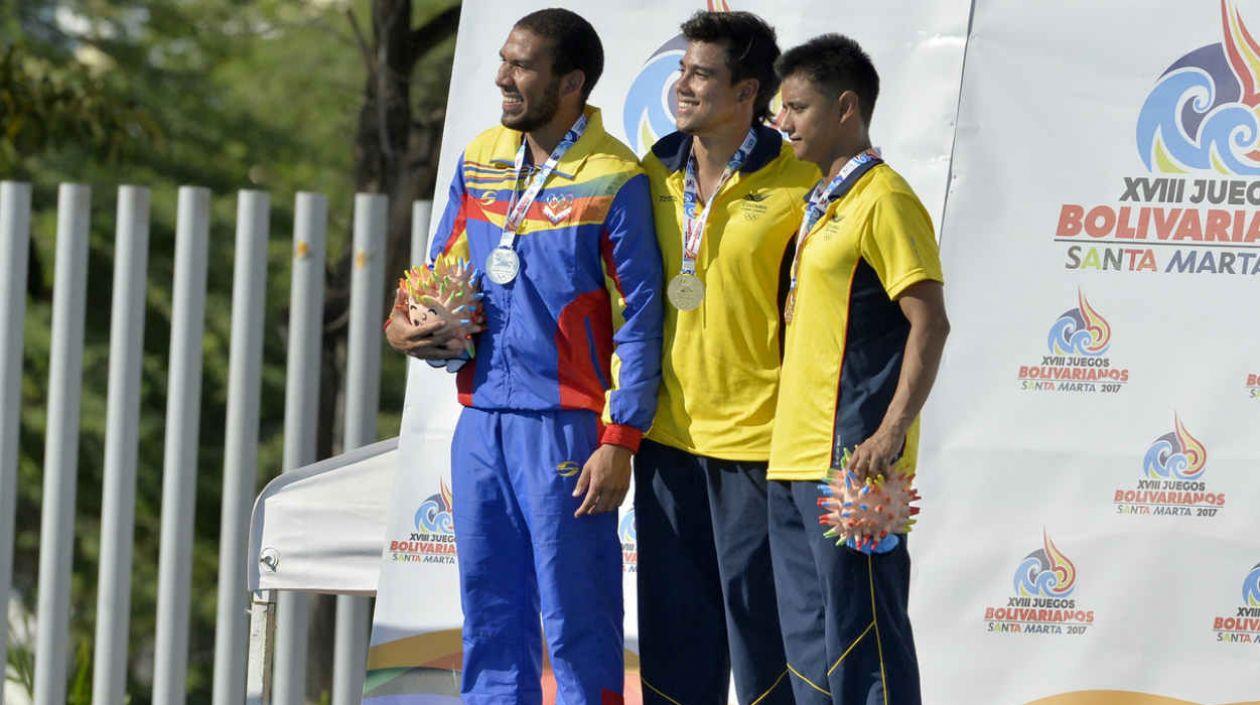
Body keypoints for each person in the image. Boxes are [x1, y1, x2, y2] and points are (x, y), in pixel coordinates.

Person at [385, 9, 663, 704]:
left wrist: (620, 438)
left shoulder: (612, 177)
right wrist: (402, 327)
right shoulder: (480, 156)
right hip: (480, 422)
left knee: (576, 620)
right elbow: (435, 273)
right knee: (489, 615)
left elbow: (640, 322)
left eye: (522, 66)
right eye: (504, 60)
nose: (503, 77)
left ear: (569, 82)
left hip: (567, 428)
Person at [635, 10, 818, 705]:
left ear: (748, 93)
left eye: (701, 74)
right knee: (676, 646)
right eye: (682, 69)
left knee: (764, 644)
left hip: (758, 447)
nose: (682, 85)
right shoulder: (656, 166)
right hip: (666, 438)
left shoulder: (801, 179)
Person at [766, 34, 950, 705]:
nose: (782, 123)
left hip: (855, 462)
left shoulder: (885, 197)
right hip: (791, 457)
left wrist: (891, 430)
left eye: (796, 107)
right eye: (780, 108)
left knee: (866, 642)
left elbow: (929, 321)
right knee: (811, 647)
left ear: (846, 108)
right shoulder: (819, 202)